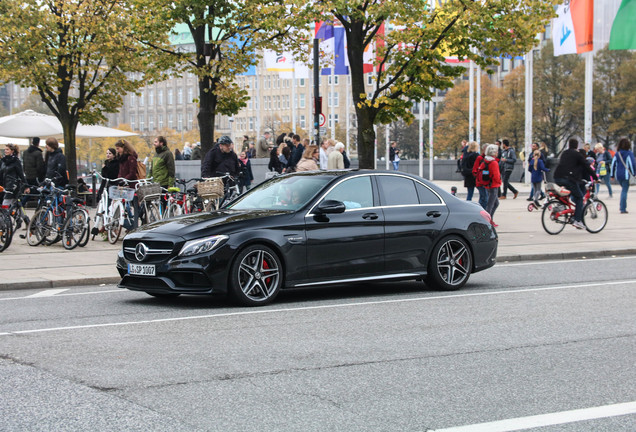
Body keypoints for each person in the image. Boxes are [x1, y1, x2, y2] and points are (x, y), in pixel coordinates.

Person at [553, 138, 597, 229]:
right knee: (580, 197)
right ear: (577, 146)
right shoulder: (577, 154)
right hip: (568, 178)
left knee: (566, 195)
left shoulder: (564, 153)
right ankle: (577, 220)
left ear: (569, 145)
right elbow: (587, 166)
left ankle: (560, 206)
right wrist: (595, 177)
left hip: (557, 177)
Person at [0, 145, 28, 224]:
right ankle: (25, 221)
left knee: (5, 205)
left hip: (13, 186)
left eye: (7, 149)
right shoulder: (3, 161)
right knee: (15, 206)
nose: (5, 151)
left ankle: (3, 226)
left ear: (12, 151)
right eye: (5, 149)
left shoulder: (16, 161)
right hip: (5, 186)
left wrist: (26, 186)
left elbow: (21, 174)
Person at [610, 137, 636, 214]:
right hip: (626, 175)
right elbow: (632, 164)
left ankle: (622, 205)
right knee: (624, 191)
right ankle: (623, 208)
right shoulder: (629, 153)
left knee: (623, 190)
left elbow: (613, 164)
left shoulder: (617, 154)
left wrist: (612, 175)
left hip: (618, 175)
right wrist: (634, 174)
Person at [479, 144, 502, 224]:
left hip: (487, 184)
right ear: (494, 153)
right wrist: (499, 182)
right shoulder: (494, 162)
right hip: (494, 185)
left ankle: (489, 219)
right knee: (491, 204)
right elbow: (496, 175)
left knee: (495, 203)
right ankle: (487, 220)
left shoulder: (485, 161)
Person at [21, 137, 45, 207]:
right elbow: (39, 167)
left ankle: (22, 204)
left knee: (29, 191)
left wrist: (26, 172)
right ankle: (39, 206)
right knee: (38, 191)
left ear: (32, 142)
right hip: (36, 177)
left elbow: (24, 165)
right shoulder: (38, 153)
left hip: (28, 175)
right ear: (38, 143)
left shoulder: (25, 152)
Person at [472, 143, 490, 210]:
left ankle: (481, 210)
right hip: (481, 182)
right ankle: (482, 211)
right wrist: (479, 177)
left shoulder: (490, 159)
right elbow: (475, 170)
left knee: (484, 198)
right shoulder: (480, 158)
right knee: (484, 198)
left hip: (486, 182)